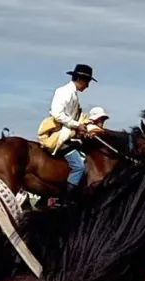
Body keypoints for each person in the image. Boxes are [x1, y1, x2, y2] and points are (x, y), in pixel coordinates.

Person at [37, 64, 104, 192]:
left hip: (67, 133)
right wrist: (77, 125)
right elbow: (57, 114)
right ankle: (67, 198)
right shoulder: (64, 92)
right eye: (87, 82)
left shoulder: (73, 93)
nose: (88, 86)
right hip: (59, 135)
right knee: (79, 167)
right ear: (81, 79)